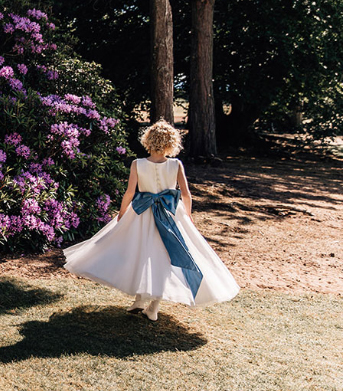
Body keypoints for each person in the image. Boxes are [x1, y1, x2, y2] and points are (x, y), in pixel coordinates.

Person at [63, 120, 239, 320]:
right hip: (171, 216)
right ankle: (152, 306)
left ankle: (141, 301)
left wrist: (122, 213)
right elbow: (186, 195)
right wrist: (187, 216)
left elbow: (130, 192)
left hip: (141, 214)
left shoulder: (138, 164)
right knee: (164, 257)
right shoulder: (176, 164)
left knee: (141, 254)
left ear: (148, 140)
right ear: (172, 143)